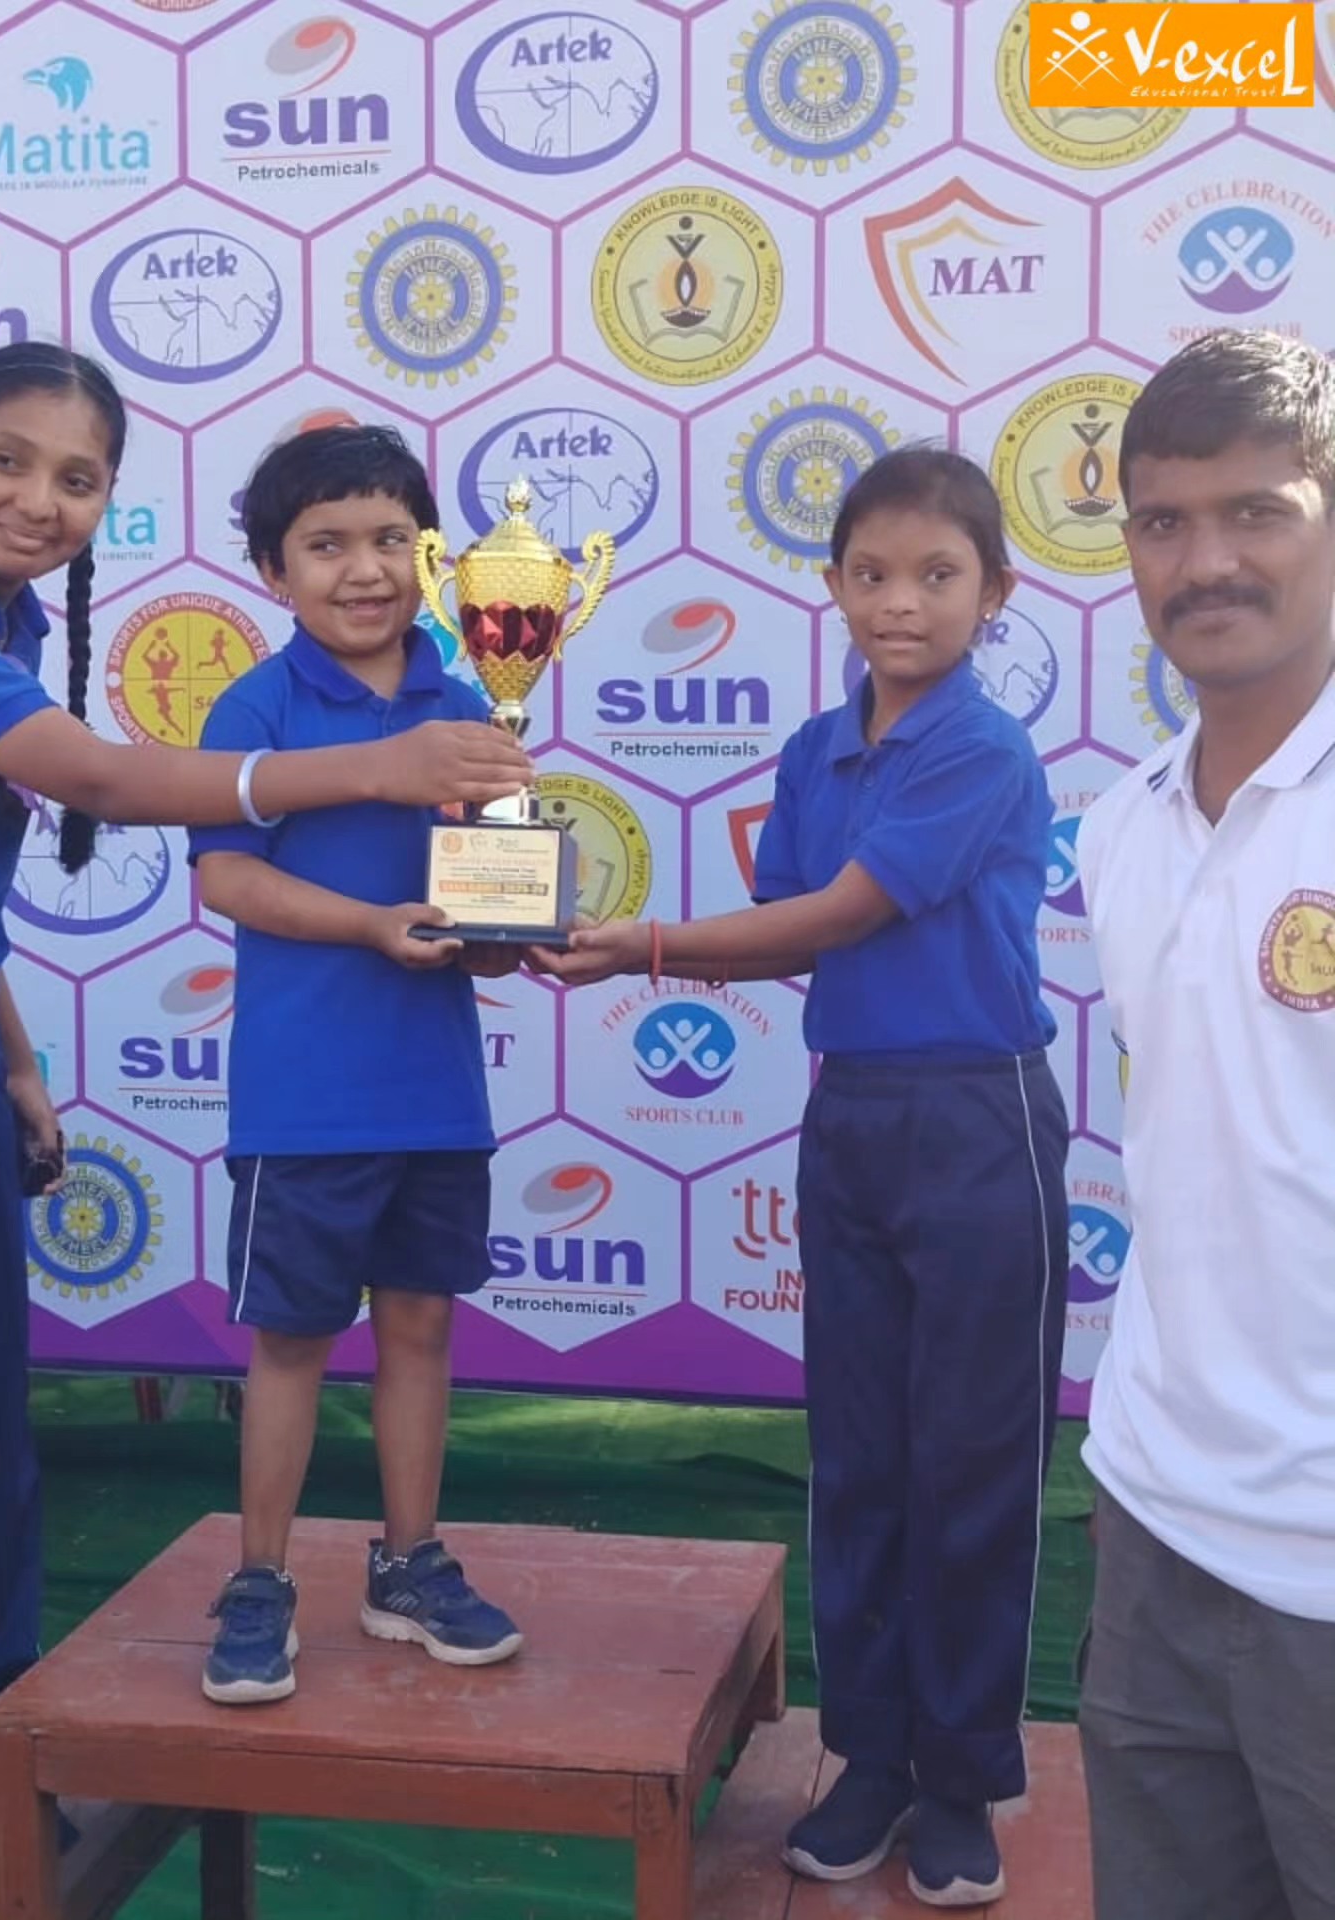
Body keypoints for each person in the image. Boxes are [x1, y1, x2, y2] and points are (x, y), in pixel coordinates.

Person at [0, 345, 530, 1919]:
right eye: (8, 462)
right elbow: (105, 779)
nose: (38, 501)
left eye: (78, 478)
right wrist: (378, 773)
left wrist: (16, 1064)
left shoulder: (7, 621)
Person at [535, 446, 1069, 1907]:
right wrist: (600, 930)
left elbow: (832, 917)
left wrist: (636, 947)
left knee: (972, 1464)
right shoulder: (812, 750)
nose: (903, 602)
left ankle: (963, 1779)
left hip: (980, 1120)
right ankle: (873, 1757)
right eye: (873, 573)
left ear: (997, 592)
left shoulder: (982, 750)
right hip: (852, 1119)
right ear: (832, 585)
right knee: (860, 1456)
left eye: (938, 575)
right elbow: (788, 921)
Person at [189, 424, 524, 1709]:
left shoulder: (473, 702)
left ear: (429, 559)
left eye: (391, 539)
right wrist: (372, 927)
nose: (364, 569)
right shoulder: (256, 709)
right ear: (275, 572)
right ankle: (260, 1579)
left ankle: (409, 1564)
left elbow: (486, 889)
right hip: (305, 1097)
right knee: (290, 1343)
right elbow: (229, 879)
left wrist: (504, 933)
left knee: (421, 1330)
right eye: (326, 545)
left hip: (437, 1093)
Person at [1074, 330, 1335, 1920]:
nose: (1207, 561)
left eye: (1259, 513)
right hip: (1156, 1515)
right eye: (1165, 521)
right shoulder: (1120, 828)